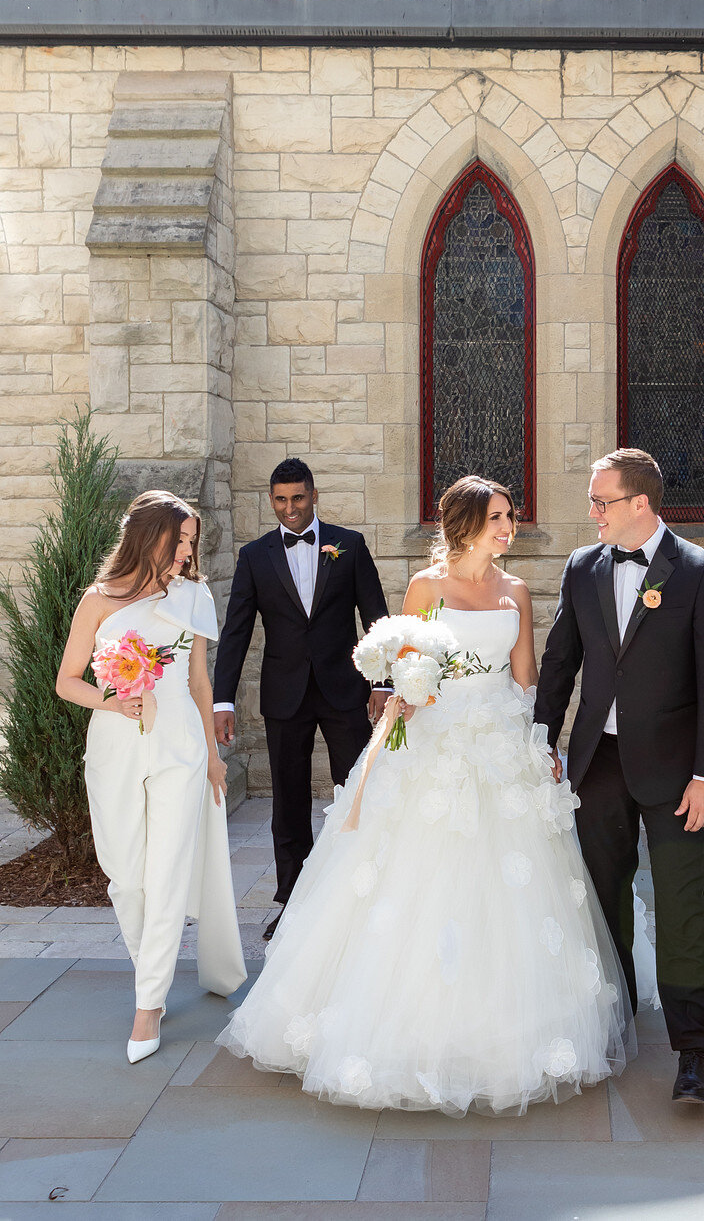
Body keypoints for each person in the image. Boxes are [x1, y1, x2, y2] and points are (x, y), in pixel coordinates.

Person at [218, 475, 632, 1115]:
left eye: (510, 516)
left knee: (506, 880)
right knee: (414, 870)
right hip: (435, 740)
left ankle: (503, 1027)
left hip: (497, 741)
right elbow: (410, 664)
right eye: (498, 517)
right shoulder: (425, 588)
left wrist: (536, 745)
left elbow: (525, 679)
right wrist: (406, 685)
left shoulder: (517, 591)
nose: (508, 527)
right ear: (466, 523)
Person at [534, 448, 704, 1108]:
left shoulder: (702, 573)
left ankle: (693, 1054)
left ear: (640, 504)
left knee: (682, 906)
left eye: (602, 501)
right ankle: (614, 1020)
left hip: (679, 772)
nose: (591, 512)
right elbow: (559, 660)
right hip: (597, 764)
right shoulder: (583, 566)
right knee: (602, 896)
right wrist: (542, 739)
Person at [55, 490, 245, 1063]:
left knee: (165, 875)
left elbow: (199, 682)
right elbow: (67, 681)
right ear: (148, 535)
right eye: (179, 538)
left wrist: (214, 754)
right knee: (125, 877)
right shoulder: (98, 601)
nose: (187, 551)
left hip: (182, 743)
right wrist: (113, 702)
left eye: (191, 540)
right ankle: (153, 976)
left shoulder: (193, 596)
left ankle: (148, 1006)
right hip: (115, 743)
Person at [213, 458, 388, 938]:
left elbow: (376, 616)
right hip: (284, 695)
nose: (290, 508)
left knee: (354, 793)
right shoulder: (255, 556)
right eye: (281, 500)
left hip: (343, 690)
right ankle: (292, 905)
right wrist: (221, 700)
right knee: (287, 804)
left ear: (314, 496)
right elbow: (236, 632)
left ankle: (358, 899)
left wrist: (383, 682)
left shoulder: (348, 545)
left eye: (298, 498)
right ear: (272, 501)